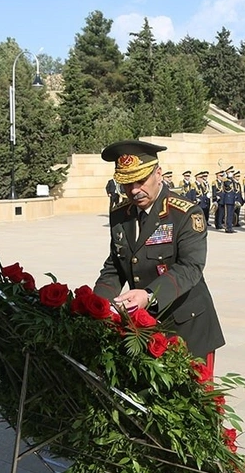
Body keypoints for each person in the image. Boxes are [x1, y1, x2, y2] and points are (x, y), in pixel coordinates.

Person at [94, 140, 225, 369]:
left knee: (192, 402)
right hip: (145, 330)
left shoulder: (184, 213)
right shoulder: (120, 214)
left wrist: (149, 295)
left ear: (159, 174)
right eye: (126, 183)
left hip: (187, 328)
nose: (134, 190)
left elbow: (190, 267)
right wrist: (97, 303)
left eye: (141, 181)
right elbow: (116, 263)